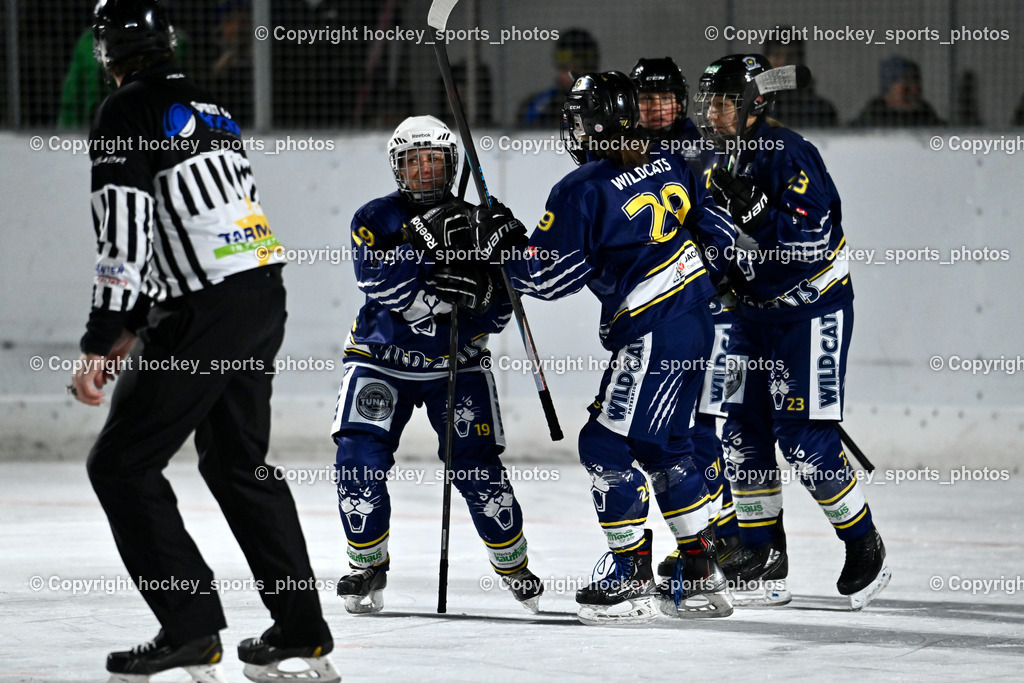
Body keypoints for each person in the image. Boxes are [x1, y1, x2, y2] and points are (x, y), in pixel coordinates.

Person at [68, 2, 339, 681]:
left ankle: (190, 628)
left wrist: (106, 334)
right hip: (258, 292)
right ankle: (302, 629)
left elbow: (124, 232)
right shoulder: (213, 107)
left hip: (200, 307)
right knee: (237, 463)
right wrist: (136, 324)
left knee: (121, 465)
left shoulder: (123, 112)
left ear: (109, 52)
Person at [474, 72, 737, 624]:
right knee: (666, 447)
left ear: (594, 123)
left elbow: (551, 278)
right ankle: (702, 573)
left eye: (575, 119)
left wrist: (504, 246)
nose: (570, 130)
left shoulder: (582, 188)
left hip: (651, 331)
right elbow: (718, 232)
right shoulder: (669, 161)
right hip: (694, 321)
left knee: (604, 445)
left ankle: (632, 576)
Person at [692, 53, 891, 610]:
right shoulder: (710, 158)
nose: (714, 110)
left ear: (755, 103)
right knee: (741, 431)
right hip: (747, 314)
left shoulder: (788, 153)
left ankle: (863, 544)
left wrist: (759, 214)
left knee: (805, 442)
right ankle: (762, 554)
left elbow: (809, 243)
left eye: (725, 99)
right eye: (709, 99)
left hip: (810, 310)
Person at [330, 114, 544, 615]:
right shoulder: (374, 217)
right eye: (413, 161)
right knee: (358, 461)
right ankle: (367, 566)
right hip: (379, 360)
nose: (424, 171)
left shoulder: (478, 221)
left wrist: (487, 288)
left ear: (450, 165)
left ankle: (513, 566)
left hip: (457, 363)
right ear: (397, 168)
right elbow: (380, 283)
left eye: (434, 160)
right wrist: (422, 241)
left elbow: (504, 306)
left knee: (478, 471)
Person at [629, 57, 745, 581]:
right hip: (667, 313)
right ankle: (717, 535)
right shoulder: (631, 149)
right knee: (680, 423)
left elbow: (718, 226)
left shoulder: (695, 150)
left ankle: (722, 535)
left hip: (706, 309)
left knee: (696, 422)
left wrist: (715, 265)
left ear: (680, 101)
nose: (655, 109)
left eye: (664, 99)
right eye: (645, 99)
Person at [517, 28, 599, 129]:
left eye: (578, 65)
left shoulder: (608, 103)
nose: (570, 71)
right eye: (565, 64)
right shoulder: (537, 105)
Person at [763, 35, 838, 129]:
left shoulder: (820, 109)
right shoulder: (754, 109)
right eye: (777, 55)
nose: (783, 62)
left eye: (790, 56)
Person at [850, 55, 945, 127]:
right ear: (888, 91)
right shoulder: (865, 126)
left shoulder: (931, 123)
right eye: (906, 84)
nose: (913, 90)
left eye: (916, 82)